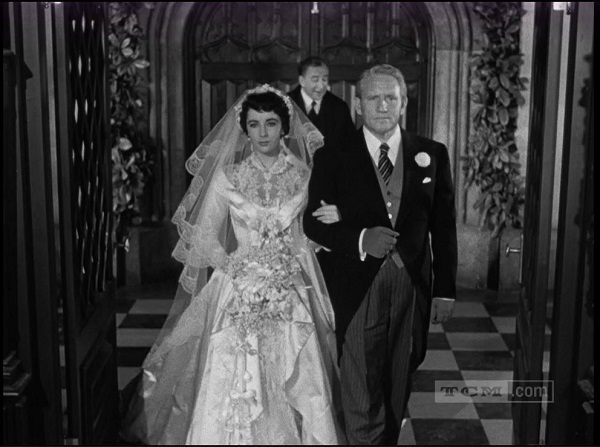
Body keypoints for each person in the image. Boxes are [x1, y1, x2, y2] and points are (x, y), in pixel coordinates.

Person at [121, 85, 346, 445]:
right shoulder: (228, 176)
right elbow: (204, 236)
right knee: (232, 374)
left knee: (300, 373)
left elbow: (312, 234)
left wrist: (323, 232)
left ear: (285, 128)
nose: (262, 133)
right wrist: (237, 267)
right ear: (243, 128)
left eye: (271, 124)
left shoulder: (305, 175)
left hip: (289, 285)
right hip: (238, 283)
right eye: (254, 124)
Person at [303, 64, 457, 445]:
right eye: (373, 97)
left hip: (412, 285)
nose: (383, 105)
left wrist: (444, 290)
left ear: (404, 103)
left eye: (391, 97)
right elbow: (313, 223)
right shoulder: (332, 156)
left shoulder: (432, 154)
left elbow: (444, 226)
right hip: (357, 286)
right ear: (358, 105)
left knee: (401, 373)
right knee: (359, 380)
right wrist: (358, 237)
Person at [288, 56, 355, 149]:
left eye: (324, 80)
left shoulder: (339, 107)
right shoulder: (285, 103)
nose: (321, 86)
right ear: (302, 81)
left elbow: (350, 144)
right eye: (315, 80)